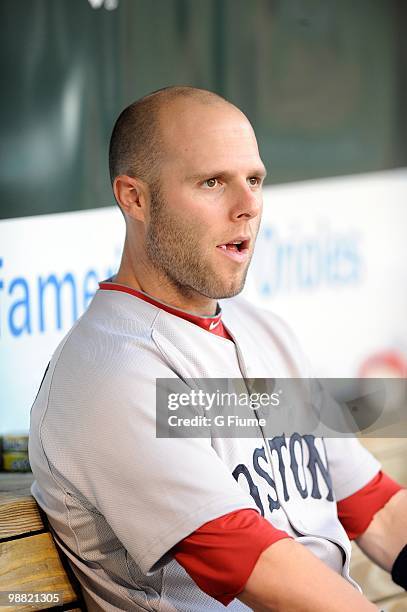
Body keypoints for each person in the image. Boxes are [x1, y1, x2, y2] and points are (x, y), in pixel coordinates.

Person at [29, 86, 407, 611]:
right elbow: (246, 559)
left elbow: (374, 505)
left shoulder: (264, 332)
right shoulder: (107, 374)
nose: (247, 205)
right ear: (133, 197)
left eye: (254, 180)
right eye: (212, 182)